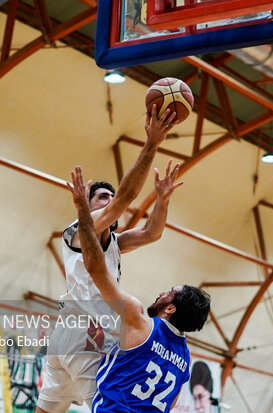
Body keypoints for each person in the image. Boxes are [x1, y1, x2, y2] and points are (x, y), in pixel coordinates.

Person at [36, 106, 180, 413]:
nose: (110, 202)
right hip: (84, 337)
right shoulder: (78, 232)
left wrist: (162, 200)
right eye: (102, 197)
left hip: (70, 335)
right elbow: (124, 200)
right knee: (109, 406)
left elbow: (152, 233)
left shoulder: (114, 240)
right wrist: (152, 143)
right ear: (87, 208)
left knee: (47, 409)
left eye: (109, 197)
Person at [67, 165, 210, 413]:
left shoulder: (139, 319)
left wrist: (82, 212)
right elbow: (171, 404)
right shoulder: (185, 361)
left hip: (83, 336)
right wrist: (163, 199)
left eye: (169, 292)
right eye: (103, 197)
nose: (161, 292)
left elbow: (95, 268)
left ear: (171, 307)